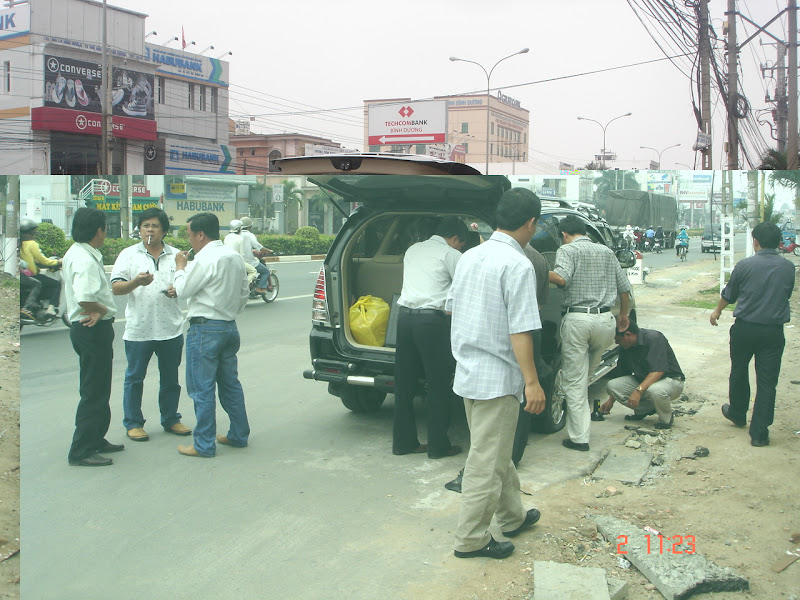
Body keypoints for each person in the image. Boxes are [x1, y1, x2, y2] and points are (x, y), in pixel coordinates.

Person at [447, 188, 545, 560]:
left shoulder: (470, 256)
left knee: (495, 452)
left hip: (469, 372)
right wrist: (532, 382)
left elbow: (453, 308)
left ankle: (513, 515)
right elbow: (521, 330)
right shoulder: (517, 265)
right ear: (531, 223)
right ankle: (470, 539)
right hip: (498, 378)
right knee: (485, 463)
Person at [548, 214, 631, 452]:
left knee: (574, 382)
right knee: (584, 378)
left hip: (578, 320)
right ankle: (581, 415)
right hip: (605, 321)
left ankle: (579, 439)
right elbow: (624, 286)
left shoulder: (567, 251)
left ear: (564, 234)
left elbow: (562, 278)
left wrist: (539, 269)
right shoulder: (605, 251)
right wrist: (623, 315)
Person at [710, 222, 795, 447]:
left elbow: (730, 294)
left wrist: (717, 310)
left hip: (745, 329)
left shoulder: (745, 265)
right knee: (767, 382)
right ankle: (759, 433)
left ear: (755, 241)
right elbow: (785, 294)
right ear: (779, 242)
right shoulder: (788, 268)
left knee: (739, 370)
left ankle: (737, 413)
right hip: (773, 332)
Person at [173, 212, 251, 458]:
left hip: (205, 328)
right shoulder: (234, 257)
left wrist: (180, 268)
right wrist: (228, 311)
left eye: (189, 235)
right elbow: (243, 293)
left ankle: (204, 444)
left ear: (200, 234)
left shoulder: (205, 258)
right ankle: (239, 435)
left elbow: (183, 290)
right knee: (230, 384)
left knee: (202, 389)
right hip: (228, 326)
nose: (190, 240)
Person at [110, 208, 191, 442]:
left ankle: (170, 419)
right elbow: (116, 288)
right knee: (134, 378)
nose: (150, 230)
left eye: (155, 226)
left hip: (170, 328)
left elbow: (188, 285)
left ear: (164, 230)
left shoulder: (177, 255)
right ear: (139, 229)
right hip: (139, 329)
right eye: (146, 225)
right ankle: (133, 423)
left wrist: (178, 290)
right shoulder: (128, 255)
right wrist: (136, 282)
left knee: (170, 378)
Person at [392, 216, 467, 459]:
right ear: (454, 238)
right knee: (438, 384)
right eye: (460, 243)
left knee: (404, 384)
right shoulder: (452, 255)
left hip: (403, 320)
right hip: (431, 323)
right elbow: (463, 290)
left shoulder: (413, 249)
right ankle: (438, 447)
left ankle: (403, 444)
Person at [62, 208, 122, 467]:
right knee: (93, 391)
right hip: (91, 328)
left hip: (89, 328)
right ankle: (82, 450)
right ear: (100, 230)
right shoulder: (84, 260)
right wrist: (101, 310)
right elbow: (84, 297)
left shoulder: (80, 252)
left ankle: (96, 437)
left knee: (99, 387)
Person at [600, 322, 685, 429]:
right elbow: (623, 373)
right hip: (645, 381)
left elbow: (658, 371)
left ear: (628, 334)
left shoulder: (654, 338)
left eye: (618, 340)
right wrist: (610, 401)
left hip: (671, 381)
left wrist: (638, 391)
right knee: (612, 386)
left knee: (655, 390)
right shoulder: (625, 347)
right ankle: (646, 409)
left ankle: (666, 419)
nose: (617, 343)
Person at [511, 241, 550, 466]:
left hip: (503, 332)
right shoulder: (539, 258)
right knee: (524, 391)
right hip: (531, 328)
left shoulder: (485, 255)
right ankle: (514, 456)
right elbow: (542, 302)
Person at [19, 218, 62, 316]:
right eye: (34, 230)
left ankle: (36, 302)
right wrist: (58, 261)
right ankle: (51, 308)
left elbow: (32, 260)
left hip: (24, 275)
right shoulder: (32, 244)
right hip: (32, 275)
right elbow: (43, 260)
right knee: (56, 284)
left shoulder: (20, 244)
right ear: (31, 231)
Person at [240, 217, 274, 293]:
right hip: (249, 262)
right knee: (266, 272)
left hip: (237, 261)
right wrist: (269, 251)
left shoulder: (236, 235)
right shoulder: (249, 235)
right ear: (250, 226)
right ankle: (261, 288)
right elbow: (258, 247)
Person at [224, 219, 258, 285]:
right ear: (238, 229)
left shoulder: (227, 237)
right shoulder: (240, 238)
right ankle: (245, 285)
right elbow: (241, 255)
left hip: (227, 261)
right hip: (237, 262)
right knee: (253, 271)